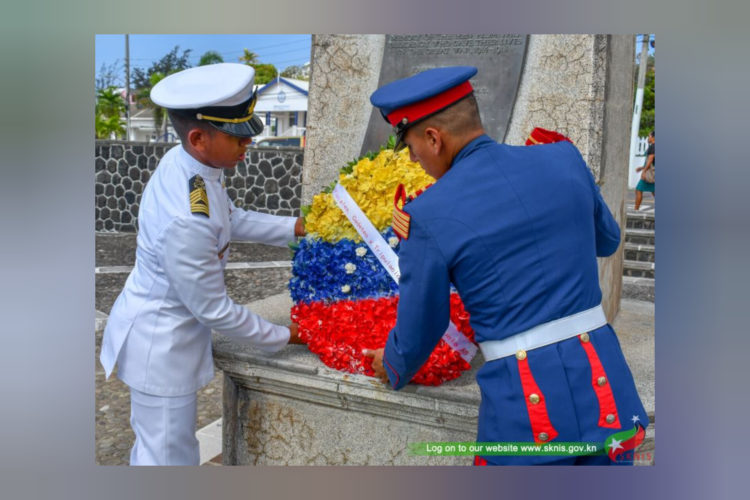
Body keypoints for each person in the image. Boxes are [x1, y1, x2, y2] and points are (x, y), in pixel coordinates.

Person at [363, 66, 647, 465]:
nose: (414, 159)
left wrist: (392, 365)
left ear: (433, 137)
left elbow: (421, 326)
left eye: (411, 147)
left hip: (530, 413)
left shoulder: (426, 214)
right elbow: (608, 240)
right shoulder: (562, 156)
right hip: (608, 394)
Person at [99, 63, 306, 466]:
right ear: (198, 137)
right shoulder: (186, 218)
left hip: (161, 333)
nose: (248, 146)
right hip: (162, 349)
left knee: (156, 453)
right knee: (168, 460)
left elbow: (230, 217)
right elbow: (214, 309)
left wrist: (298, 227)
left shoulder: (192, 167)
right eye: (238, 137)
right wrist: (287, 335)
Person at [634, 130, 655, 210]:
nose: (648, 138)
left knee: (638, 189)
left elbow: (650, 160)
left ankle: (636, 210)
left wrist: (644, 171)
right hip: (653, 173)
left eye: (649, 136)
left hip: (650, 173)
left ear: (653, 137)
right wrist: (641, 168)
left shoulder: (653, 147)